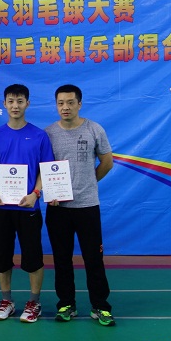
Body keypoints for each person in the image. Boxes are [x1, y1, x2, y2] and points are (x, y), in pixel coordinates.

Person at [45, 84, 115, 326]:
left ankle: (100, 306)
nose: (65, 107)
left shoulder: (94, 129)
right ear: (56, 105)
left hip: (87, 207)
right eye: (60, 103)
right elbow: (43, 169)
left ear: (79, 104)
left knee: (93, 260)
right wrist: (49, 191)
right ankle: (66, 304)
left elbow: (107, 161)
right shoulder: (48, 134)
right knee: (61, 259)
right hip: (58, 209)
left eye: (70, 102)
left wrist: (89, 181)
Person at [0, 84, 54, 323]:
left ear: (27, 103)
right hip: (1, 207)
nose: (15, 106)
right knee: (2, 257)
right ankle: (7, 300)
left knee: (33, 258)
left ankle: (34, 302)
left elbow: (44, 171)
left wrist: (35, 193)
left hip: (28, 207)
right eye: (11, 101)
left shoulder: (39, 135)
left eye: (20, 101)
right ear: (4, 104)